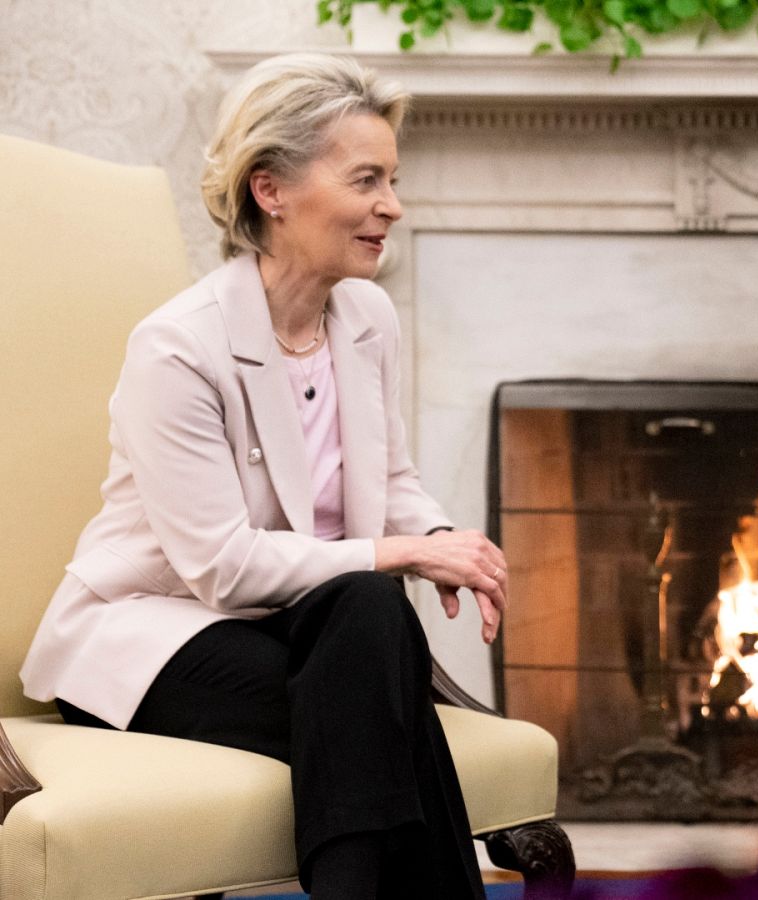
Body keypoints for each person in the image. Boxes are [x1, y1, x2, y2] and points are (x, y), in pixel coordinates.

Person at [19, 54, 509, 899]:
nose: (392, 205)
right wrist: (401, 555)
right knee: (376, 675)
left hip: (313, 629)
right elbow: (222, 565)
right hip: (157, 639)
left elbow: (390, 477)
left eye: (392, 179)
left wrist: (432, 534)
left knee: (367, 621)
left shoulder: (366, 317)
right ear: (270, 189)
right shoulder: (178, 347)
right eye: (366, 180)